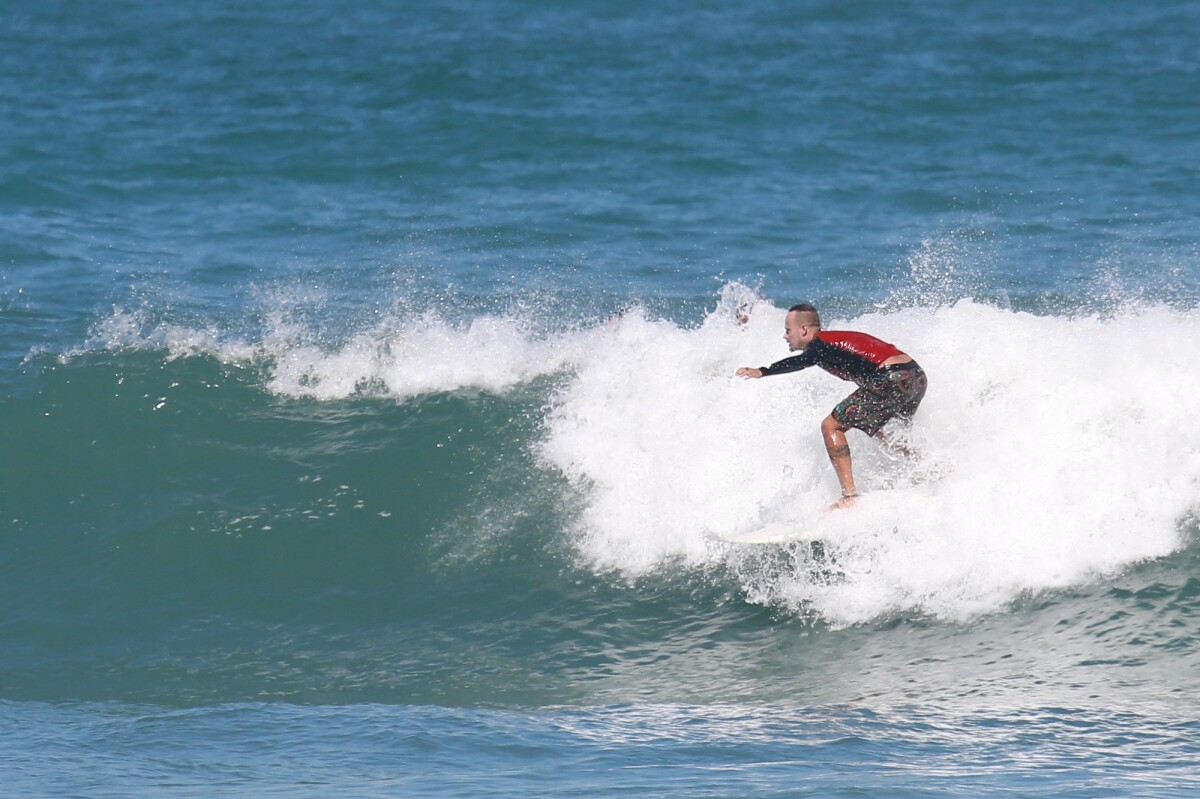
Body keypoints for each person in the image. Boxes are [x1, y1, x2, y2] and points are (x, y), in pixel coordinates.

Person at [737, 303, 927, 508]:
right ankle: (926, 468)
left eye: (787, 331)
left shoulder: (819, 344)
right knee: (886, 432)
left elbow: (801, 362)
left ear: (803, 330)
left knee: (831, 426)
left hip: (891, 376)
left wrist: (763, 371)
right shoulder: (832, 343)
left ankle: (850, 497)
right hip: (915, 377)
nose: (785, 336)